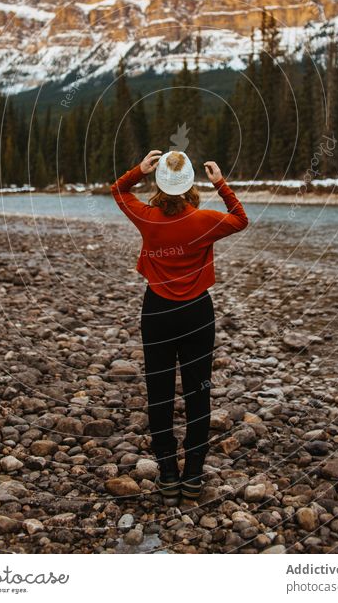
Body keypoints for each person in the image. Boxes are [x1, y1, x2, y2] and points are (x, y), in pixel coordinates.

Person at [110, 148, 248, 504]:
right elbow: (241, 218)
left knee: (159, 394)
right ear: (189, 186)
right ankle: (194, 476)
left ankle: (168, 475)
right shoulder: (205, 220)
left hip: (156, 312)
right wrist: (221, 184)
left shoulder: (148, 217)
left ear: (159, 184)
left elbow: (118, 191)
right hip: (197, 313)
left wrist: (138, 170)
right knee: (197, 392)